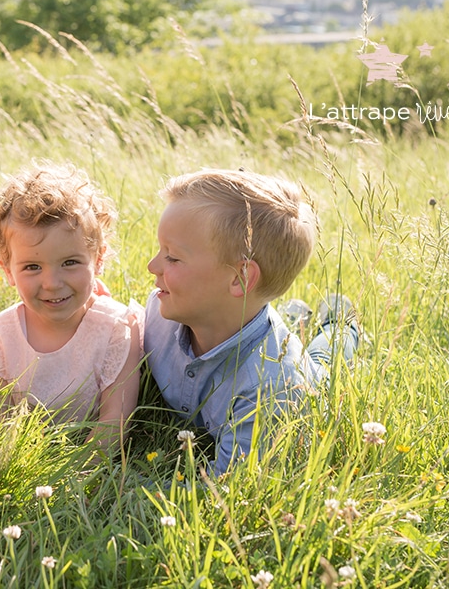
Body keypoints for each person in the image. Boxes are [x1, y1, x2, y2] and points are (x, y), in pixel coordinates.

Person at [143, 169, 359, 475]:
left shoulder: (271, 388)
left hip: (310, 379)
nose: (152, 266)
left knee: (325, 358)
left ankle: (340, 320)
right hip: (246, 312)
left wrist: (127, 494)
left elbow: (225, 488)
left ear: (240, 277)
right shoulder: (160, 313)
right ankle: (294, 314)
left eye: (173, 258)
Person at [0, 162, 142, 456]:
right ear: (8, 270)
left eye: (70, 263)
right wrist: (15, 468)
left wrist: (78, 474)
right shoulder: (2, 334)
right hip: (25, 457)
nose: (51, 283)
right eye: (32, 267)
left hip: (85, 461)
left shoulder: (117, 329)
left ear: (98, 259)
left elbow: (114, 421)